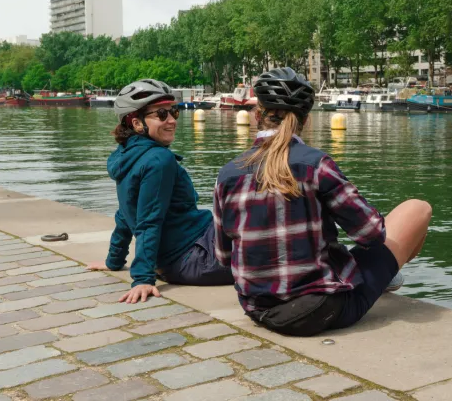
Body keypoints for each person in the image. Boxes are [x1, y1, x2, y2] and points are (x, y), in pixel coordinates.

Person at [213, 68, 432, 336]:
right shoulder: (316, 165)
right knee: (418, 209)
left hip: (258, 308)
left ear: (257, 114)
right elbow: (372, 234)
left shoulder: (227, 175)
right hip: (318, 309)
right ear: (304, 121)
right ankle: (387, 279)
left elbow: (223, 257)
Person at [88, 79, 233, 303]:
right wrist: (142, 279)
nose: (172, 120)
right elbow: (149, 220)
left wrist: (114, 260)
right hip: (197, 255)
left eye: (174, 111)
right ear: (137, 123)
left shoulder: (126, 154)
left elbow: (125, 213)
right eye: (162, 114)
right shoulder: (159, 160)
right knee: (276, 246)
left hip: (185, 251)